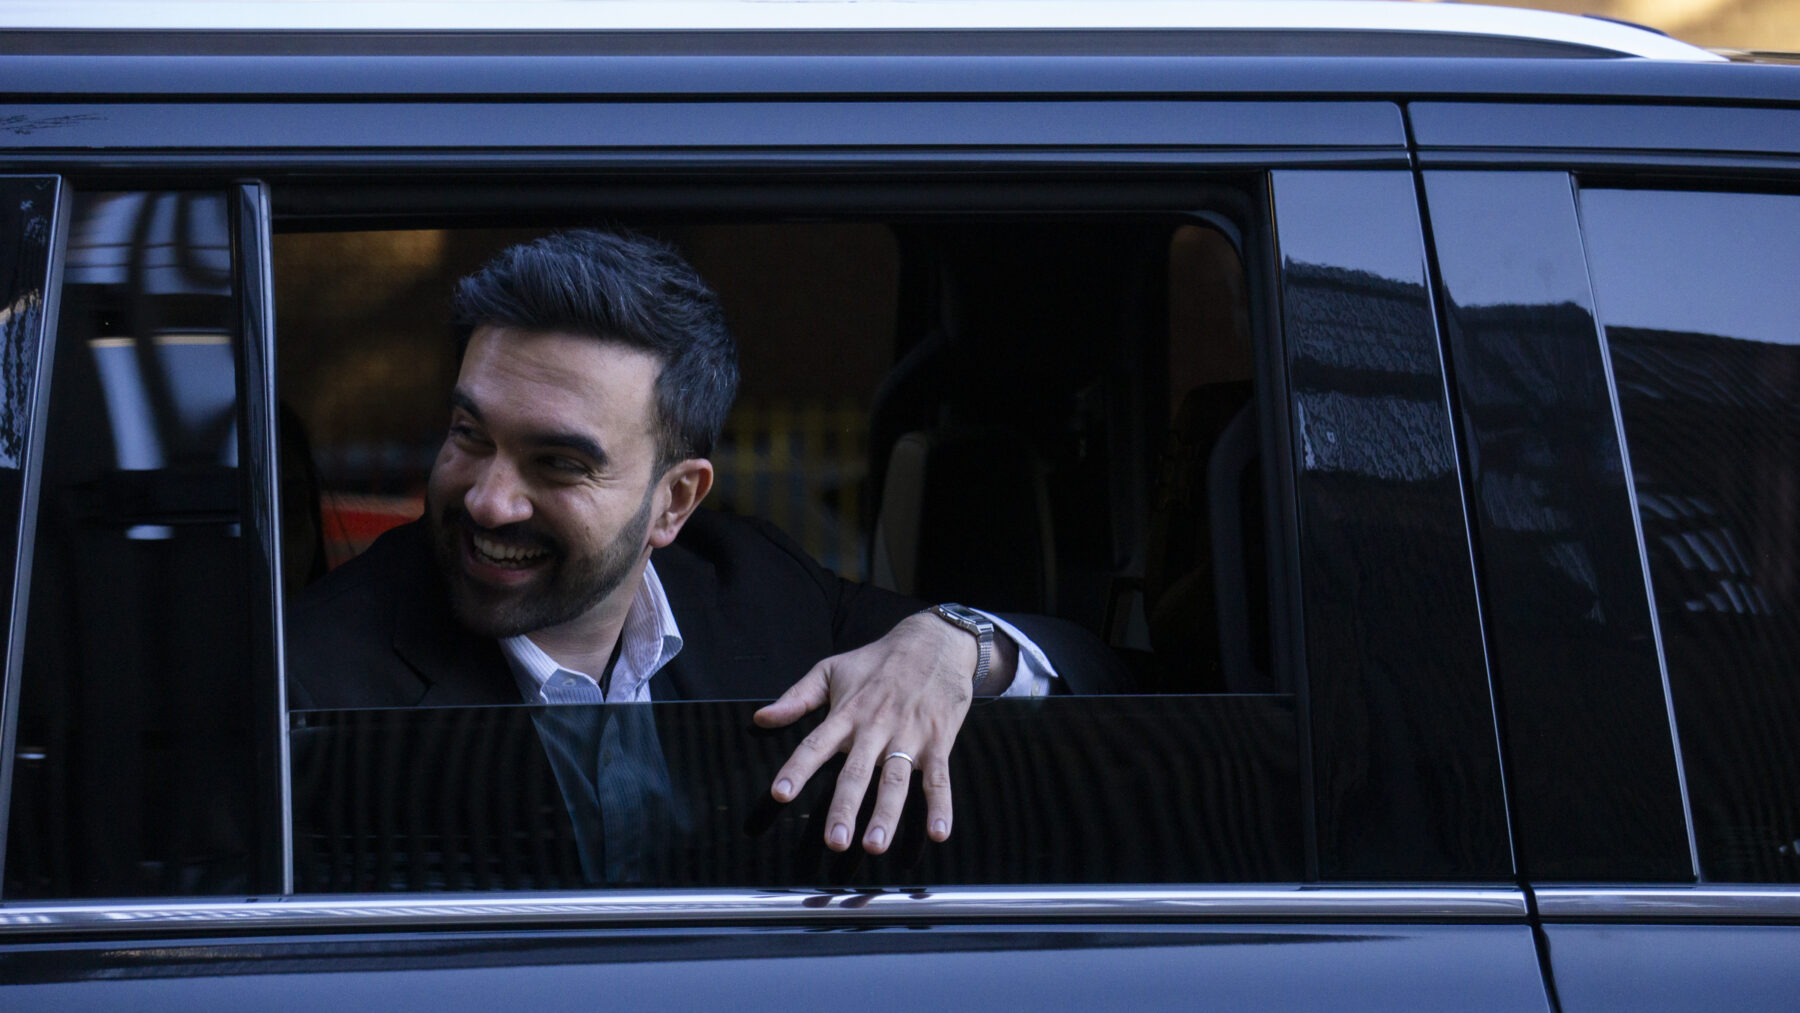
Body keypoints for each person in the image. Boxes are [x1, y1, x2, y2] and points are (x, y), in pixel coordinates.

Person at [287, 228, 1120, 857]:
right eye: (469, 433)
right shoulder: (310, 689)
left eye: (558, 463)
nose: (488, 498)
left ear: (675, 501)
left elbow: (1115, 673)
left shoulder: (752, 586)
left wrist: (955, 645)